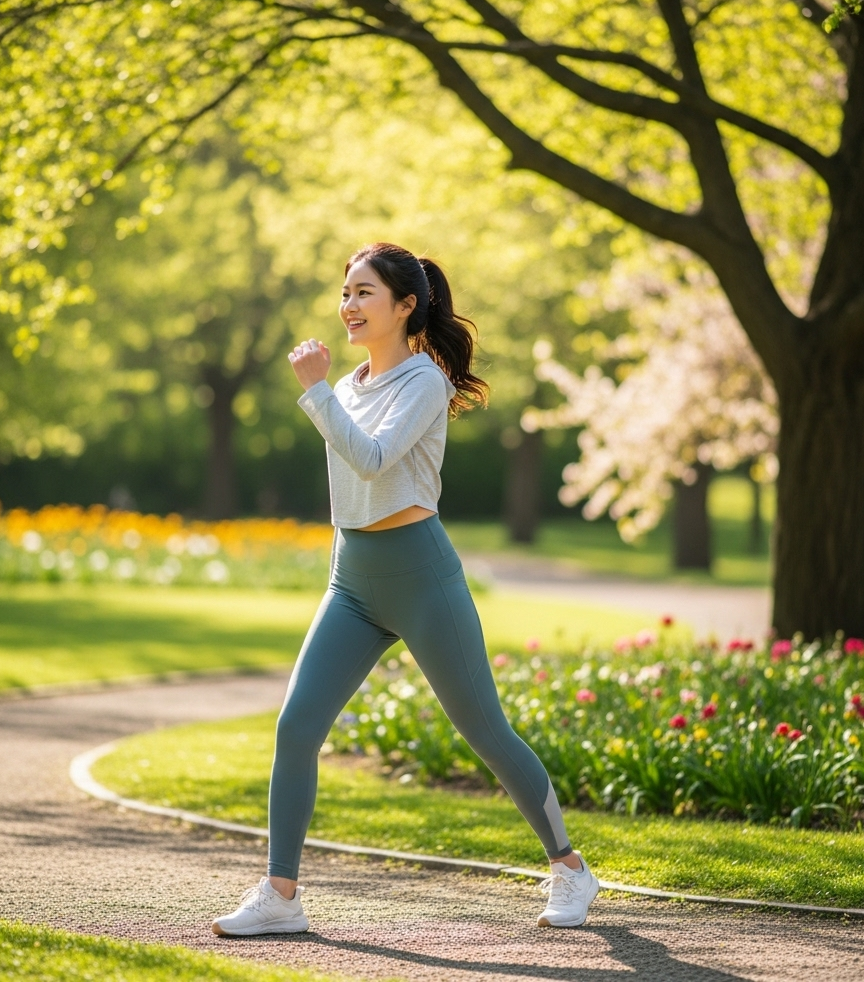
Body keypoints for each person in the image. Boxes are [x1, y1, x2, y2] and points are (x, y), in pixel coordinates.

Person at [212, 242, 599, 937]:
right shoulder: (354, 383)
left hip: (421, 576)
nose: (349, 306)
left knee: (485, 732)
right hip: (353, 579)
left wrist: (314, 391)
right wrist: (330, 392)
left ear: (405, 305)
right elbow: (351, 488)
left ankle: (570, 869)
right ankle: (281, 895)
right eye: (345, 292)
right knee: (296, 727)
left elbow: (374, 461)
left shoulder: (425, 381)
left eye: (364, 293)